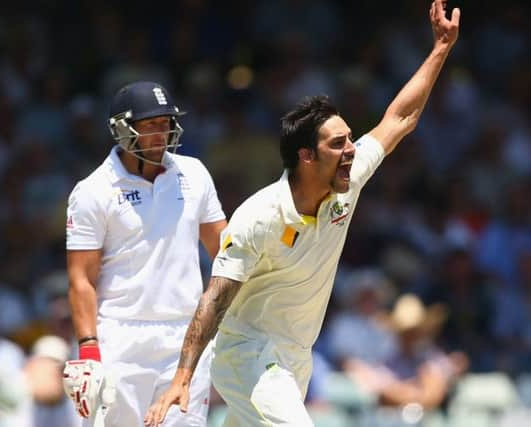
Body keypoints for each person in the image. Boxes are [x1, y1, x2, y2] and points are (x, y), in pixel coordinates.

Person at [145, 2, 460, 426]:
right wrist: (183, 376)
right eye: (338, 144)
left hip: (295, 359)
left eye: (350, 139)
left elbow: (400, 117)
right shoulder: (259, 216)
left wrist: (440, 47)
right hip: (247, 355)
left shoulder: (345, 182)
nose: (351, 150)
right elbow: (215, 297)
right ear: (306, 156)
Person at [62, 81, 227, 427]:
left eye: (165, 123)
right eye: (149, 125)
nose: (160, 133)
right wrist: (89, 350)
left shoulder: (194, 174)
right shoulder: (93, 191)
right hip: (121, 338)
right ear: (123, 129)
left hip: (187, 333)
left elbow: (226, 252)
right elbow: (81, 280)